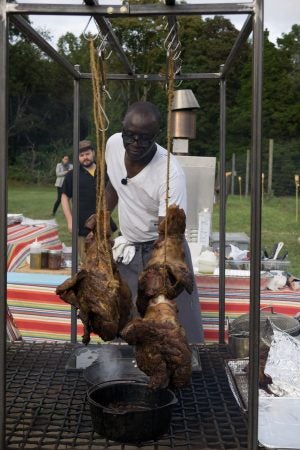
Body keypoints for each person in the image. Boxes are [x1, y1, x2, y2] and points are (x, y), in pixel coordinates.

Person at [105, 101, 204, 343]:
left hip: (164, 251)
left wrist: (158, 281)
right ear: (122, 129)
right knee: (127, 329)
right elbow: (114, 183)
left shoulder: (170, 173)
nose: (135, 144)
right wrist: (102, 214)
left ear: (156, 136)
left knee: (176, 331)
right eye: (130, 136)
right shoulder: (114, 144)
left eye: (144, 138)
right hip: (130, 249)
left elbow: (168, 235)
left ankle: (188, 376)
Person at [61, 140, 98, 263]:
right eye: (81, 156)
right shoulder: (72, 175)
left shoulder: (104, 172)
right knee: (87, 265)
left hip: (104, 227)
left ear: (93, 153)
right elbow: (65, 197)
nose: (85, 158)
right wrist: (70, 220)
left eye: (87, 154)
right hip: (82, 227)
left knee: (108, 264)